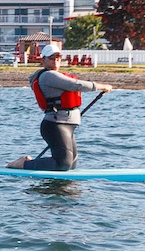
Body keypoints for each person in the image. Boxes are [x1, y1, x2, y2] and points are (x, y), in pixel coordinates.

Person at [8, 43, 114, 171]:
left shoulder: (57, 75)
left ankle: (33, 164)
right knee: (62, 164)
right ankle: (22, 164)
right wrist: (101, 86)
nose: (55, 60)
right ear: (43, 60)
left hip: (68, 124)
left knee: (71, 164)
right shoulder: (48, 76)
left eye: (58, 57)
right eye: (51, 58)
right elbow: (76, 85)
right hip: (55, 125)